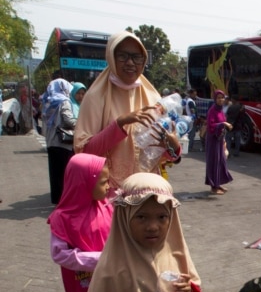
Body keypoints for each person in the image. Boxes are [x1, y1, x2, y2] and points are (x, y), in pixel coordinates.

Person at [86, 172, 203, 292]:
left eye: (162, 217)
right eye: (141, 217)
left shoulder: (176, 256)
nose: (153, 227)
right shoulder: (112, 266)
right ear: (124, 217)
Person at [74, 31, 181, 196]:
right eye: (123, 56)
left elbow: (161, 156)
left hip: (147, 192)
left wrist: (173, 146)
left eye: (136, 57)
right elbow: (85, 153)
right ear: (111, 57)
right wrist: (119, 124)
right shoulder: (95, 97)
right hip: (110, 195)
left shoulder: (152, 96)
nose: (130, 63)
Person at [49, 153, 112, 292]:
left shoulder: (106, 206)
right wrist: (97, 259)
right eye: (104, 182)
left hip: (106, 278)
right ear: (83, 184)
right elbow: (59, 254)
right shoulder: (62, 217)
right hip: (80, 280)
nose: (109, 186)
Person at [43, 78, 76, 204]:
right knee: (65, 173)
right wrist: (82, 123)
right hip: (62, 142)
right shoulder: (64, 101)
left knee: (55, 172)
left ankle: (56, 199)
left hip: (51, 142)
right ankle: (65, 200)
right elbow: (68, 120)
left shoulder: (48, 101)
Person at [205, 89, 233, 194]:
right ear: (215, 99)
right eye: (218, 98)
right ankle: (214, 186)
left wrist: (224, 138)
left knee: (221, 161)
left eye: (222, 97)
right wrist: (224, 124)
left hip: (220, 139)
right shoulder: (212, 110)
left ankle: (218, 184)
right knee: (214, 162)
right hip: (213, 140)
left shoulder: (220, 110)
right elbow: (211, 126)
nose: (221, 100)